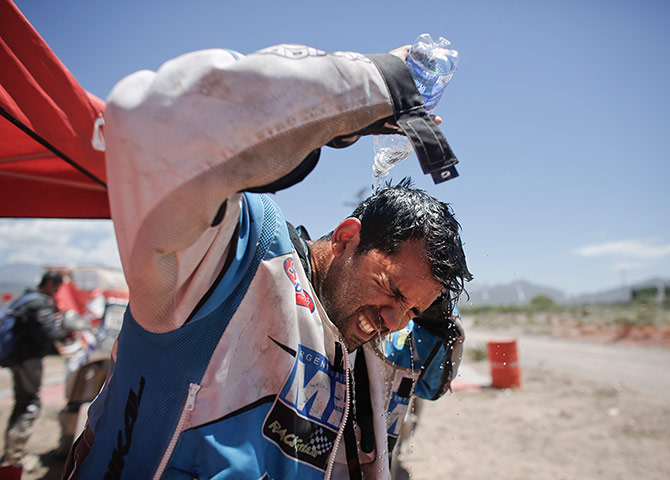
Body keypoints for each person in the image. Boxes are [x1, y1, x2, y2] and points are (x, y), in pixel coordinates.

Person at [63, 43, 471, 479]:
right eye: (391, 288)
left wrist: (428, 312)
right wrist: (368, 86)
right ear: (347, 238)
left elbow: (432, 381)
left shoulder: (367, 343)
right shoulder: (232, 257)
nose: (394, 319)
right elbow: (151, 124)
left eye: (410, 309)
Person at [2, 271, 69, 471]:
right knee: (29, 405)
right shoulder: (39, 303)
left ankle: (11, 453)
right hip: (27, 359)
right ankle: (14, 459)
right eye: (56, 287)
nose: (57, 292)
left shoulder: (25, 298)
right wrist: (68, 331)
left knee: (22, 403)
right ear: (49, 283)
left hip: (18, 358)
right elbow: (46, 333)